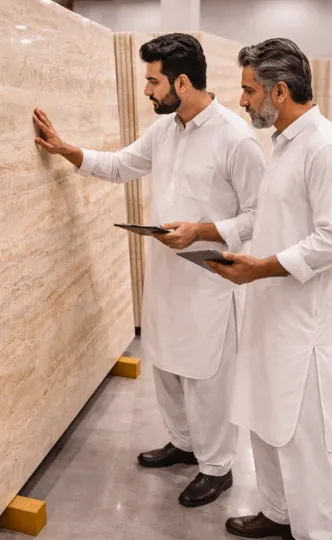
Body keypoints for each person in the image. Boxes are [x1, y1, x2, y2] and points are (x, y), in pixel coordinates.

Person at [33, 33, 265, 507]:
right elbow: (120, 165)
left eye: (153, 81)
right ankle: (183, 443)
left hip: (210, 281)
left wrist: (200, 231)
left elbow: (257, 216)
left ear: (181, 82)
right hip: (165, 277)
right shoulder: (165, 131)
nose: (146, 90)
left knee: (208, 379)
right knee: (167, 368)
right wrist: (65, 149)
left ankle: (217, 468)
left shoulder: (236, 139)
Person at [207, 38, 332, 540]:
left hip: (302, 326)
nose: (241, 100)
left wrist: (261, 268)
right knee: (264, 420)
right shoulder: (283, 144)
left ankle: (314, 530)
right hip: (268, 311)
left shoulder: (322, 147)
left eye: (248, 90)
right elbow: (269, 220)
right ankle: (278, 514)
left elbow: (330, 238)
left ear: (279, 91)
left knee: (303, 439)